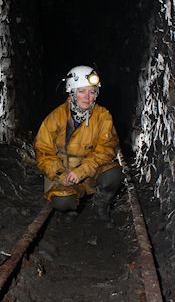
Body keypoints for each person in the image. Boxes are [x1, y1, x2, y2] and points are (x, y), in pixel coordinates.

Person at [34, 65, 123, 222]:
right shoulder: (56, 117)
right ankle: (71, 206)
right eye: (82, 91)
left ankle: (101, 205)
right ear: (73, 93)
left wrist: (82, 171)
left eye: (92, 91)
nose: (87, 97)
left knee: (113, 175)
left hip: (90, 171)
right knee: (62, 201)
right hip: (65, 173)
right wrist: (60, 174)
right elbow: (43, 151)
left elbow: (107, 149)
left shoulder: (103, 116)